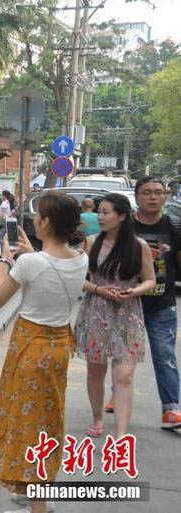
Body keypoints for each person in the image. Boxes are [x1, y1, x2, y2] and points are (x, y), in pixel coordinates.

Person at [0, 191, 89, 513]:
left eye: (37, 216)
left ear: (45, 223)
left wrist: (4, 260)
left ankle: (37, 506)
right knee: (45, 421)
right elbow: (51, 269)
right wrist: (31, 254)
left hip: (29, 349)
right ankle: (35, 495)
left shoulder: (30, 263)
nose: (33, 220)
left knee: (25, 424)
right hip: (58, 347)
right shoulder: (81, 258)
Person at [74, 193, 155, 439]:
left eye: (106, 212)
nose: (100, 217)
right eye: (99, 212)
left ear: (121, 216)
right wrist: (99, 289)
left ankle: (121, 434)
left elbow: (150, 280)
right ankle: (98, 417)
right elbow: (78, 278)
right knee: (96, 371)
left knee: (125, 375)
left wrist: (134, 291)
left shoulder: (138, 245)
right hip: (96, 311)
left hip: (128, 314)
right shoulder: (90, 243)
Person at [128, 177, 181, 430]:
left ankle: (171, 409)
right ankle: (118, 394)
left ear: (165, 196)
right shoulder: (124, 225)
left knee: (165, 356)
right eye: (147, 192)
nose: (153, 197)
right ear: (137, 196)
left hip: (162, 303)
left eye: (158, 192)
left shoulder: (175, 225)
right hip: (127, 303)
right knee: (123, 357)